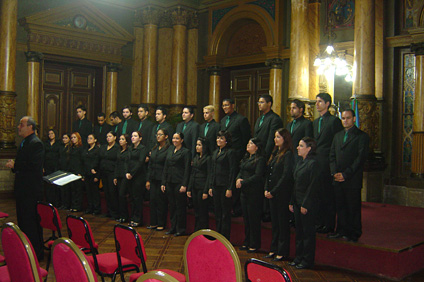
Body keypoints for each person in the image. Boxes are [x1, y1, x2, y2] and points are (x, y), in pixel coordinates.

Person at [6, 116, 44, 260]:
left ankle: (35, 254)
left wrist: (16, 165)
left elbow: (34, 167)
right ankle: (26, 251)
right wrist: (15, 166)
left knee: (31, 223)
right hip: (23, 190)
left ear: (30, 127)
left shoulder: (36, 143)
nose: (18, 127)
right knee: (23, 222)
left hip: (31, 191)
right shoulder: (25, 142)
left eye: (21, 124)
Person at [328, 109, 369, 242]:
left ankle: (353, 232)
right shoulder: (337, 135)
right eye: (343, 118)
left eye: (348, 118)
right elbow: (332, 155)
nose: (345, 120)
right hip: (337, 178)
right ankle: (340, 230)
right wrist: (334, 173)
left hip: (352, 178)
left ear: (354, 119)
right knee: (340, 205)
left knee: (352, 206)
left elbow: (360, 158)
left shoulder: (362, 136)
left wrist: (346, 174)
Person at [313, 93, 343, 234]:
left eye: (320, 101)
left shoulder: (334, 121)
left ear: (327, 104)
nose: (317, 104)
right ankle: (320, 222)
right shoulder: (315, 121)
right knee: (318, 194)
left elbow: (336, 143)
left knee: (328, 195)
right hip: (316, 162)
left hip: (327, 162)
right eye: (316, 101)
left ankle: (329, 224)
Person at [289, 137, 320, 269]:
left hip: (306, 204)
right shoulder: (300, 162)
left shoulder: (313, 164)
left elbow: (313, 186)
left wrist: (305, 204)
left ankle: (307, 260)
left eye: (301, 146)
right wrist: (292, 201)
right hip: (297, 201)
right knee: (299, 232)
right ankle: (298, 257)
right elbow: (295, 184)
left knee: (307, 233)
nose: (298, 148)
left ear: (309, 148)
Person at [264, 128, 295, 261]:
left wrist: (273, 191)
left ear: (285, 139)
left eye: (278, 137)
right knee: (275, 223)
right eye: (275, 137)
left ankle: (282, 251)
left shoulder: (287, 154)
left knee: (282, 223)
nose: (275, 139)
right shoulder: (275, 152)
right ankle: (274, 248)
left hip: (281, 193)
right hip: (272, 192)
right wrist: (266, 188)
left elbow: (286, 175)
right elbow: (269, 173)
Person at [220, 98, 251, 217]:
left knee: (235, 181)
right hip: (225, 157)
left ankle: (236, 208)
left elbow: (245, 138)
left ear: (233, 106)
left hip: (237, 155)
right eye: (223, 105)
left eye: (227, 105)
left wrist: (243, 156)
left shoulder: (241, 119)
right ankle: (227, 206)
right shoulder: (223, 120)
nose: (225, 107)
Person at [236, 137, 266, 253]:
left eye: (251, 143)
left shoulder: (260, 159)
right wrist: (238, 178)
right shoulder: (246, 158)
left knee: (253, 219)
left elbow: (258, 176)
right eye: (248, 143)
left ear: (257, 147)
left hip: (254, 192)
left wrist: (243, 182)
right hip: (244, 192)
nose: (248, 145)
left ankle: (254, 243)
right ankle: (247, 241)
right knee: (246, 218)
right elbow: (241, 171)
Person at [162, 132, 191, 236]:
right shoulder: (170, 149)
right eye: (173, 138)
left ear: (182, 140)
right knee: (172, 206)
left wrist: (184, 184)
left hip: (179, 182)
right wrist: (164, 182)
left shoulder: (186, 152)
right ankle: (173, 227)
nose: (174, 140)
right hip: (170, 181)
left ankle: (181, 229)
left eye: (177, 138)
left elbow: (187, 168)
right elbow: (166, 166)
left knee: (180, 206)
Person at [210, 130, 236, 240]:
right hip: (216, 185)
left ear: (226, 141)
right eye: (218, 138)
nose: (218, 140)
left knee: (225, 213)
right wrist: (211, 186)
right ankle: (218, 234)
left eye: (221, 138)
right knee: (217, 212)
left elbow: (232, 171)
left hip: (225, 186)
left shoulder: (230, 152)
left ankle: (225, 237)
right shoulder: (215, 152)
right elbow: (212, 170)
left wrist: (230, 188)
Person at [146, 128, 171, 231]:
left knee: (161, 202)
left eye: (161, 134)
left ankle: (161, 223)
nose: (158, 136)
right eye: (157, 134)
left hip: (162, 179)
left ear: (166, 136)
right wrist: (148, 180)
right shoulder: (155, 148)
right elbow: (150, 165)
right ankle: (153, 222)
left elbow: (167, 166)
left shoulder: (169, 149)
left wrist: (164, 181)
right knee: (152, 200)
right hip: (153, 178)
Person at [187, 137, 211, 231]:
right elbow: (192, 173)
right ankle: (197, 230)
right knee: (196, 210)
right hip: (195, 186)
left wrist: (206, 190)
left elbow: (209, 174)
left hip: (202, 186)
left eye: (199, 145)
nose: (197, 147)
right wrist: (189, 188)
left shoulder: (208, 158)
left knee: (203, 211)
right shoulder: (196, 157)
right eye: (196, 144)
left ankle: (203, 231)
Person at [94, 131, 119, 219]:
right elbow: (99, 159)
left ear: (115, 137)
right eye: (107, 136)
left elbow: (117, 162)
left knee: (112, 193)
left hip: (112, 172)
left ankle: (115, 212)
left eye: (110, 136)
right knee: (107, 193)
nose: (108, 138)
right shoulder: (103, 147)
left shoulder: (117, 148)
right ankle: (109, 211)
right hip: (104, 172)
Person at [125, 131, 148, 227]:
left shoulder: (143, 148)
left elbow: (140, 162)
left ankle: (138, 219)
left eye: (135, 136)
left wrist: (132, 173)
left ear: (140, 138)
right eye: (132, 136)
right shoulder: (130, 148)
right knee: (132, 198)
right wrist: (127, 172)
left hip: (139, 176)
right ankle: (133, 217)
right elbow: (126, 161)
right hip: (129, 175)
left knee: (137, 198)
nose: (133, 138)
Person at [254, 94, 283, 159]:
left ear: (269, 103)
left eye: (262, 102)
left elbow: (271, 140)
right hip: (257, 154)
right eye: (258, 102)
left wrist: (266, 156)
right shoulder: (259, 118)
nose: (259, 104)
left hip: (266, 154)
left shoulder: (274, 119)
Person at [113, 134, 131, 223]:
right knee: (118, 195)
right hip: (119, 174)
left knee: (122, 194)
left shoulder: (129, 151)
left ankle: (125, 215)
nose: (120, 140)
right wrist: (115, 176)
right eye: (119, 139)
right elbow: (116, 163)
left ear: (126, 141)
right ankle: (120, 215)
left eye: (122, 139)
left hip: (125, 175)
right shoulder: (119, 150)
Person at [82, 134, 101, 215]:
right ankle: (90, 207)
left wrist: (97, 176)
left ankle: (96, 209)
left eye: (91, 138)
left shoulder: (97, 150)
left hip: (94, 174)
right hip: (86, 173)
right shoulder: (86, 149)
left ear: (95, 140)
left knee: (95, 192)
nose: (89, 140)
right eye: (88, 138)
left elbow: (98, 163)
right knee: (88, 192)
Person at [44, 129, 61, 206]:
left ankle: (56, 202)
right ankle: (48, 201)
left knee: (55, 184)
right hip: (47, 165)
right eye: (49, 133)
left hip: (55, 165)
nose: (50, 135)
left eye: (52, 133)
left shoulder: (59, 143)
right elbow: (43, 155)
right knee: (48, 184)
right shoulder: (45, 143)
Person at [68, 132, 84, 212]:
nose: (73, 139)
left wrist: (80, 172)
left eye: (74, 137)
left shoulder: (81, 148)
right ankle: (73, 205)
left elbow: (82, 161)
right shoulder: (71, 148)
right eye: (72, 137)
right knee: (73, 189)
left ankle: (78, 206)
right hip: (71, 170)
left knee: (78, 190)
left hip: (78, 171)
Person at [58, 133, 72, 210]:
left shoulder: (70, 148)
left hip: (68, 169)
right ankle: (63, 203)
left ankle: (67, 204)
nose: (64, 139)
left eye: (66, 138)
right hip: (61, 168)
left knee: (67, 188)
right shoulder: (61, 147)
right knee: (62, 188)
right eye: (63, 138)